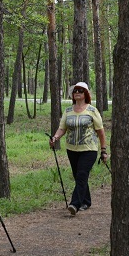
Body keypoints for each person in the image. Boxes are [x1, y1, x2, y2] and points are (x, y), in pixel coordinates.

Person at [49, 82, 108, 216]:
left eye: (80, 91)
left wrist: (103, 150)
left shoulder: (92, 110)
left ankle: (75, 204)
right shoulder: (68, 111)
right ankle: (86, 201)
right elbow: (62, 128)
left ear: (85, 94)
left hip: (89, 149)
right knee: (78, 176)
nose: (77, 92)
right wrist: (55, 138)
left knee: (82, 174)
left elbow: (101, 132)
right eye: (75, 91)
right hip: (72, 149)